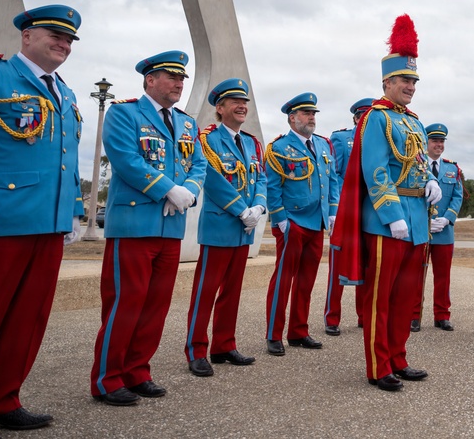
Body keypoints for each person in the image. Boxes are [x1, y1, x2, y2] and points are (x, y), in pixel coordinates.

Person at [0, 5, 84, 437]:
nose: (63, 44)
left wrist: (73, 211)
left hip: (48, 225)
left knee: (26, 320)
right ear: (27, 35)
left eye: (69, 40)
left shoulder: (65, 93)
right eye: (55, 35)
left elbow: (66, 158)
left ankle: (2, 398)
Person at [330, 14, 442, 392]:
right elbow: (375, 169)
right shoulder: (376, 118)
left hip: (417, 219)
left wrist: (431, 182)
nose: (410, 86)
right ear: (387, 82)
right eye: (404, 80)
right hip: (387, 221)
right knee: (380, 298)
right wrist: (392, 214)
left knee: (406, 297)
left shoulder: (414, 121)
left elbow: (418, 162)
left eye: (414, 81)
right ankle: (379, 366)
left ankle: (398, 357)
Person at [89, 50, 206, 406]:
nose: (179, 84)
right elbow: (126, 160)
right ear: (150, 80)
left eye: (182, 78)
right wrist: (168, 189)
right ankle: (108, 379)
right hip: (134, 226)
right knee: (125, 304)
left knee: (156, 306)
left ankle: (138, 371)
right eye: (172, 77)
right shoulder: (124, 113)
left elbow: (198, 164)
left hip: (171, 226)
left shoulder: (187, 123)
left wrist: (188, 191)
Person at [184, 79, 268, 378]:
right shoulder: (207, 139)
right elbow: (212, 179)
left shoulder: (252, 142)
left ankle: (224, 345)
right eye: (235, 102)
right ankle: (196, 350)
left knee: (231, 292)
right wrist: (241, 210)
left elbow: (261, 178)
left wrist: (258, 207)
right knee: (205, 292)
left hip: (244, 229)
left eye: (244, 102)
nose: (242, 106)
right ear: (220, 108)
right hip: (220, 225)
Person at [264, 92, 340, 355]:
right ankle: (274, 334)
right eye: (306, 113)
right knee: (283, 279)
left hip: (317, 222)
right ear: (292, 118)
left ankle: (298, 331)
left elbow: (332, 180)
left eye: (313, 114)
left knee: (306, 281)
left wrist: (332, 211)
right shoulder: (279, 148)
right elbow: (272, 187)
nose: (311, 118)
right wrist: (280, 219)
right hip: (293, 223)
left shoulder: (323, 145)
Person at [323, 97, 373, 336]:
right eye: (363, 116)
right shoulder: (342, 140)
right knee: (338, 266)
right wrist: (337, 207)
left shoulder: (381, 139)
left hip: (372, 211)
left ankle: (364, 316)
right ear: (355, 118)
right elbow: (334, 175)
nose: (366, 121)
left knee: (369, 265)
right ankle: (332, 317)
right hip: (347, 211)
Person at [411, 123, 464, 332]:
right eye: (435, 141)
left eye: (442, 141)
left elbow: (457, 197)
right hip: (422, 230)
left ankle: (442, 315)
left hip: (444, 231)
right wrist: (424, 221)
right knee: (416, 276)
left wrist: (447, 219)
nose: (439, 145)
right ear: (426, 142)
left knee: (443, 277)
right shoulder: (416, 165)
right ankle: (413, 315)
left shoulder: (452, 168)